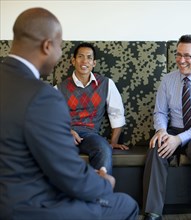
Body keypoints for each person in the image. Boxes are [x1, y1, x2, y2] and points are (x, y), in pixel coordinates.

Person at [0, 7, 138, 220]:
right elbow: (67, 175)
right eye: (60, 47)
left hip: (15, 189)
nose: (59, 54)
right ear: (47, 46)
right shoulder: (44, 96)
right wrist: (103, 183)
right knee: (127, 204)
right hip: (27, 206)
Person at [142, 34, 191, 220]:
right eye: (178, 54)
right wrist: (162, 131)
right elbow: (160, 112)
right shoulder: (168, 80)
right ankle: (153, 213)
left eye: (187, 55)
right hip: (174, 129)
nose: (181, 60)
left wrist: (179, 139)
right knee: (156, 147)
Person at [55, 42, 128, 175]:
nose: (84, 61)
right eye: (80, 56)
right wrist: (67, 131)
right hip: (66, 134)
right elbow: (51, 118)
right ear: (73, 61)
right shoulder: (59, 88)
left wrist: (113, 142)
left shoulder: (106, 84)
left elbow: (117, 114)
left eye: (89, 57)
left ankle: (101, 194)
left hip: (91, 135)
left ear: (94, 63)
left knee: (104, 149)